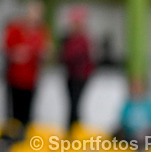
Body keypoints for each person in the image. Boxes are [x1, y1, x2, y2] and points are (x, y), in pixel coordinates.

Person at [3, 1, 49, 130]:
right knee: (13, 110)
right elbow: (6, 47)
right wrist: (16, 53)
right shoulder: (16, 28)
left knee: (27, 111)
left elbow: (46, 52)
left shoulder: (41, 31)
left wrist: (43, 53)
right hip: (15, 76)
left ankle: (23, 134)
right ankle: (11, 135)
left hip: (31, 78)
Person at [59, 5, 93, 129]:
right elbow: (63, 57)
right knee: (71, 104)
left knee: (75, 104)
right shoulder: (69, 39)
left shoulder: (83, 39)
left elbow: (80, 57)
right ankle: (72, 129)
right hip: (71, 75)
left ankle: (74, 129)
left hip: (80, 76)